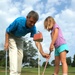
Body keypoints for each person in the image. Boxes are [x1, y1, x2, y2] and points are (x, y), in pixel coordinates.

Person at [4, 10, 49, 75]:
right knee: (13, 51)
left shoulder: (33, 28)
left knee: (20, 55)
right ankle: (13, 73)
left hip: (19, 38)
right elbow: (7, 31)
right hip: (11, 35)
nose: (32, 24)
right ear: (27, 17)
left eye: (34, 22)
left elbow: (37, 41)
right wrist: (6, 42)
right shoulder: (18, 21)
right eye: (31, 21)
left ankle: (18, 73)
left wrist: (42, 53)